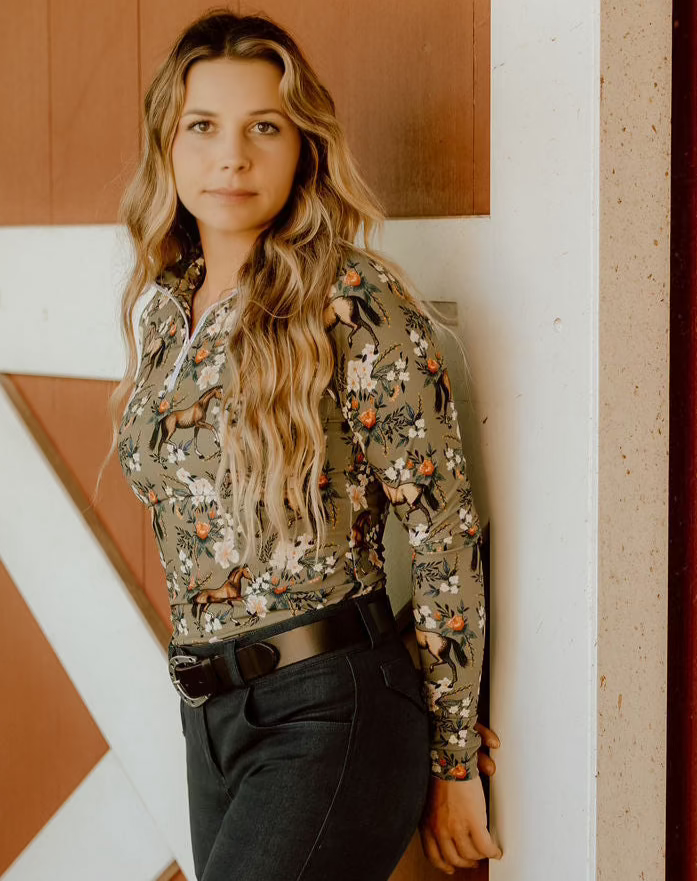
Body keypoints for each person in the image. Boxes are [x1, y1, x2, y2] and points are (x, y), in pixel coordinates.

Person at [101, 8, 502, 879]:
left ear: (303, 147)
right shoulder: (167, 309)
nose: (231, 156)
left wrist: (453, 756)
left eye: (264, 127)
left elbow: (443, 532)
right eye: (203, 127)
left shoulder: (353, 300)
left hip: (329, 708)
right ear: (168, 144)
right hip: (209, 719)